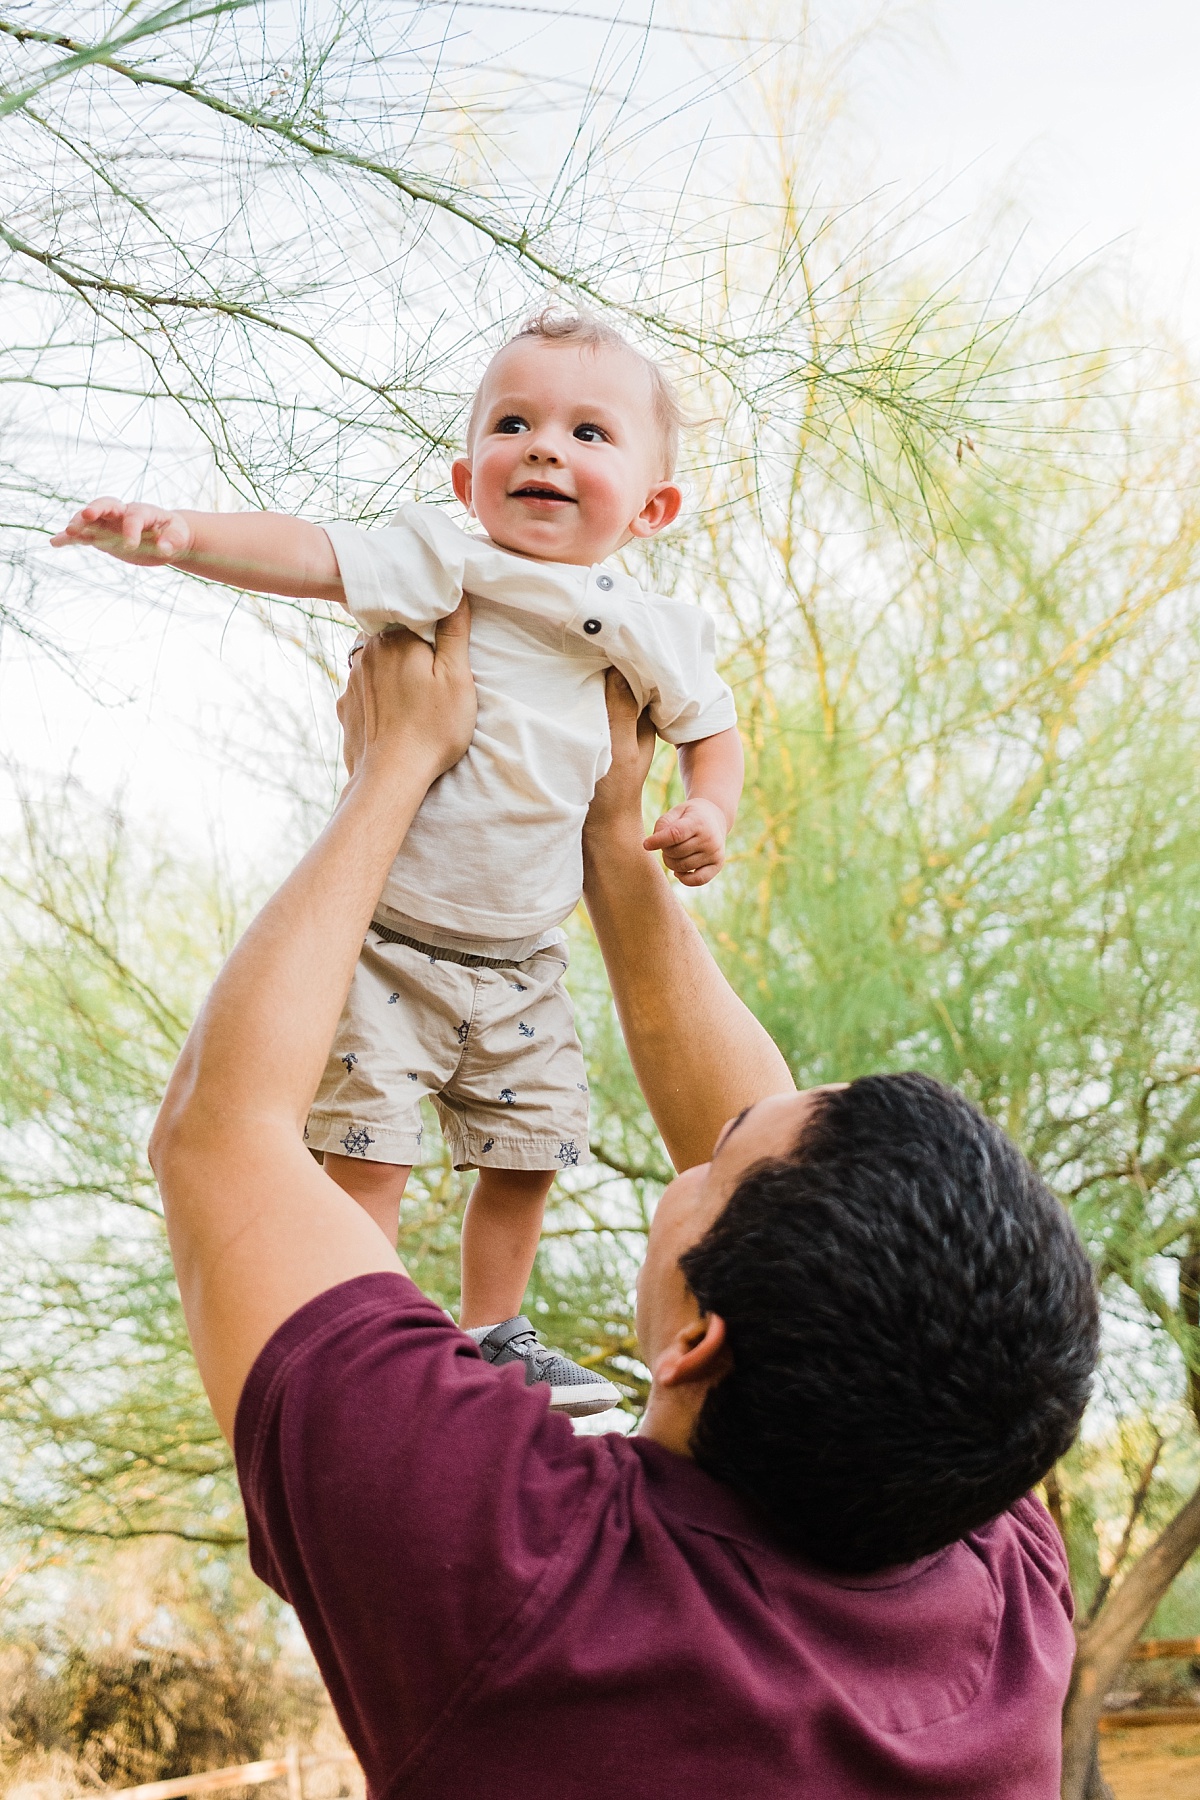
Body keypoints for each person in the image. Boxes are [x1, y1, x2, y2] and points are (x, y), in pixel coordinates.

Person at [150, 616, 1099, 1799]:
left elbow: (221, 1132)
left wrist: (391, 773)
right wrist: (609, 835)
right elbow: (774, 1162)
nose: (695, 1152)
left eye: (709, 1170)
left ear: (699, 1338)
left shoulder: (524, 1574)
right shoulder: (998, 1578)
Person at [53, 309, 743, 1415]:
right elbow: (318, 554)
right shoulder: (447, 562)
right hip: (390, 941)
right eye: (513, 423)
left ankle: (495, 1328)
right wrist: (180, 536)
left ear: (654, 507)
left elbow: (713, 728)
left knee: (530, 1150)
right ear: (469, 474)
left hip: (526, 959)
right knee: (370, 1153)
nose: (545, 448)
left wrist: (708, 807)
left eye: (587, 433)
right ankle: (371, 1323)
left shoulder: (651, 624)